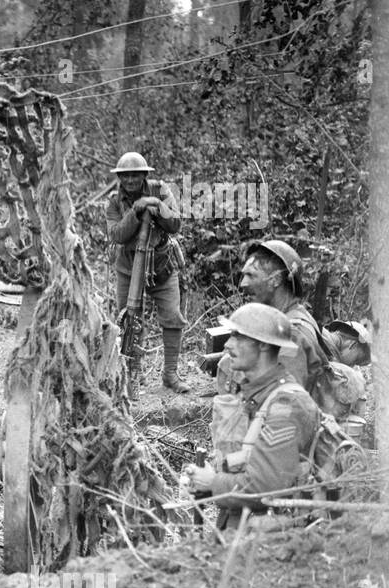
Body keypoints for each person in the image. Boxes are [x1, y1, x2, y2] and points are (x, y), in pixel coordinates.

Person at [184, 303, 321, 528]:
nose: (228, 344)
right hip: (243, 532)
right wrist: (204, 478)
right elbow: (246, 459)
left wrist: (213, 482)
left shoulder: (287, 406)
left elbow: (265, 486)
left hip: (273, 545)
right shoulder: (255, 395)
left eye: (238, 337)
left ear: (264, 346)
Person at [104, 151, 190, 393]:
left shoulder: (160, 190)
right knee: (129, 322)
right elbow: (117, 234)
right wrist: (135, 211)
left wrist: (156, 205)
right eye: (126, 176)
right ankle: (133, 375)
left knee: (173, 317)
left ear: (144, 175)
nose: (130, 180)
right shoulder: (113, 201)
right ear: (119, 178)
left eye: (135, 175)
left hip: (161, 266)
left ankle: (170, 374)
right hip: (128, 269)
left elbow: (175, 223)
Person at [229, 239, 330, 400]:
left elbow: (286, 406)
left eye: (251, 275)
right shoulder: (292, 317)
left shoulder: (291, 335)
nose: (243, 284)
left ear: (276, 280)